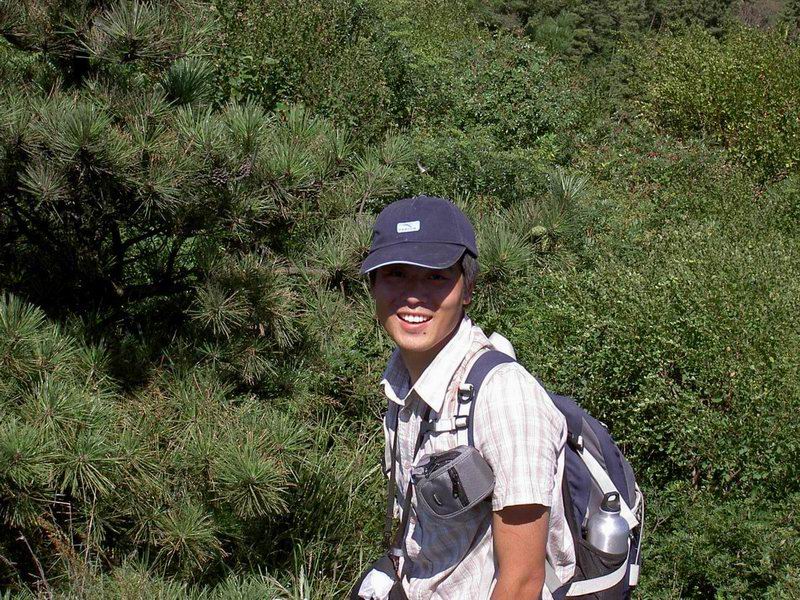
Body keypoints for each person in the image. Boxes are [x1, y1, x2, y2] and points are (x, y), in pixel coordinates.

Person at [357, 196, 575, 600]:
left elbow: (522, 582)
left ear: (467, 288)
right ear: (372, 285)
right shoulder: (402, 381)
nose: (413, 296)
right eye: (396, 274)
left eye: (435, 277)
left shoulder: (504, 396)